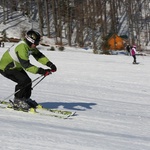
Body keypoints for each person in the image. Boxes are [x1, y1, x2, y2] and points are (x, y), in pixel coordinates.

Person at [0, 30, 57, 111]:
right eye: (36, 43)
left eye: (38, 42)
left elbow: (39, 56)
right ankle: (18, 101)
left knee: (28, 81)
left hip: (16, 67)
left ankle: (25, 99)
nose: (37, 45)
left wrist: (50, 64)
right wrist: (42, 71)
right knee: (23, 80)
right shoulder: (22, 48)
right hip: (6, 68)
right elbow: (27, 66)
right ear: (30, 41)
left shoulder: (30, 46)